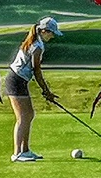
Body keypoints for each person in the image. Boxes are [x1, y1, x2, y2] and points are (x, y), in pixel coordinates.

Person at [5, 16, 62, 162]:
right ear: (43, 31)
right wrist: (46, 90)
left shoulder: (36, 42)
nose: (53, 36)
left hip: (19, 81)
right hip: (16, 81)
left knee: (29, 115)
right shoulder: (37, 46)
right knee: (23, 118)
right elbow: (37, 71)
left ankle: (25, 150)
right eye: (51, 33)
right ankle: (17, 154)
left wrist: (46, 91)